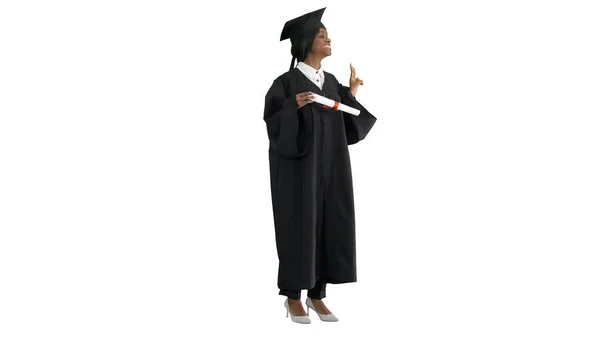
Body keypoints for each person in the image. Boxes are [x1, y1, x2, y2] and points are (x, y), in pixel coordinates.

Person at [263, 7, 377, 324]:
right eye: (322, 35)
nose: (328, 40)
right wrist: (292, 106)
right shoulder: (286, 83)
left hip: (332, 171)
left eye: (328, 35)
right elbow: (273, 127)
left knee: (329, 224)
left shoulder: (331, 83)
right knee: (299, 226)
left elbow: (350, 127)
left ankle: (317, 294)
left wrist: (350, 94)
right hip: (299, 174)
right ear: (304, 42)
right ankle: (292, 297)